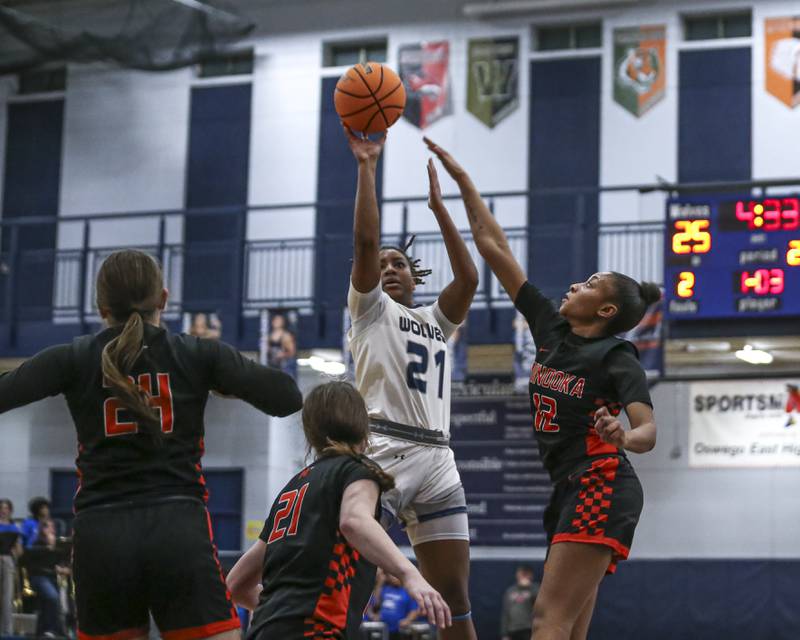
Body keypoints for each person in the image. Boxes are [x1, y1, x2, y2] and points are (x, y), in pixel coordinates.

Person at [0, 249, 302, 640]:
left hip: (101, 533)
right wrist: (222, 380)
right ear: (163, 298)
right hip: (176, 527)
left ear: (101, 306)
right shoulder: (196, 353)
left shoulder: (73, 358)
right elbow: (287, 397)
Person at [425, 138, 658, 640]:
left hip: (602, 481)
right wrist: (465, 183)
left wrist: (622, 433)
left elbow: (648, 432)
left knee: (547, 620)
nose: (576, 284)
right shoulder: (551, 330)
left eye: (590, 283)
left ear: (606, 311)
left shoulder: (615, 357)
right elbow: (494, 248)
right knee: (569, 628)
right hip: (569, 485)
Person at [343, 127, 479, 640]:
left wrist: (441, 211)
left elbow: (468, 280)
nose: (389, 267)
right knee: (351, 589)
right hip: (381, 448)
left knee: (455, 601)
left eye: (399, 262)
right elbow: (364, 240)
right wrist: (367, 167)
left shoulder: (436, 320)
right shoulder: (369, 309)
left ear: (416, 276)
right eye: (381, 265)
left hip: (438, 458)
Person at [226, 381, 451, 639]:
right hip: (316, 631)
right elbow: (354, 521)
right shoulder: (354, 470)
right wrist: (409, 574)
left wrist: (281, 613)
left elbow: (236, 585)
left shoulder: (294, 487)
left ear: (310, 432)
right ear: (363, 427)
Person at [23, 519, 69, 637]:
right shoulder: (37, 543)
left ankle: (42, 632)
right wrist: (49, 547)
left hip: (52, 577)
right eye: (49, 527)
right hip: (39, 577)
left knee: (46, 605)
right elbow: (29, 557)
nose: (52, 529)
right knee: (52, 597)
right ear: (42, 529)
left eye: (53, 527)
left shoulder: (58, 546)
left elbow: (61, 561)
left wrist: (61, 568)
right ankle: (52, 630)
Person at [0, 499, 22, 636]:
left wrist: (17, 551)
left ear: (10, 510)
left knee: (8, 597)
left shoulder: (14, 528)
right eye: (1, 508)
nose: (3, 510)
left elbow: (19, 550)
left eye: (6, 508)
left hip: (8, 561)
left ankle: (7, 631)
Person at [500, 564, 539, 640]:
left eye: (525, 574)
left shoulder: (535, 588)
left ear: (531, 576)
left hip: (528, 628)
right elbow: (505, 613)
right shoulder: (510, 591)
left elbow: (541, 605)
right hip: (512, 629)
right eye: (521, 574)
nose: (523, 577)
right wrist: (504, 634)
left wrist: (529, 587)